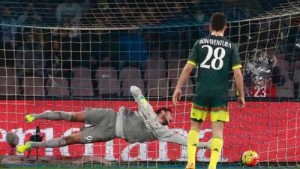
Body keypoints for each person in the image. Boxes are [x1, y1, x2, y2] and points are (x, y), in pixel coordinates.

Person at [17, 86, 210, 154]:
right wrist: (140, 98)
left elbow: (184, 140)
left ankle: (32, 145)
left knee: (70, 140)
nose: (172, 117)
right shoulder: (149, 110)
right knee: (73, 116)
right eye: (170, 114)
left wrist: (204, 145)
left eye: (172, 118)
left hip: (108, 132)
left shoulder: (163, 132)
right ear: (162, 112)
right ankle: (37, 116)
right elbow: (135, 90)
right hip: (109, 115)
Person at [172, 12, 245, 169]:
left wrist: (178, 88)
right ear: (226, 27)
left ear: (210, 26)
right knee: (217, 133)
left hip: (202, 92)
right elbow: (238, 73)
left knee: (194, 128)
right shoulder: (231, 47)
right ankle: (212, 166)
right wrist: (241, 95)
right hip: (220, 95)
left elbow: (188, 68)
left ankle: (191, 161)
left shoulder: (200, 43)